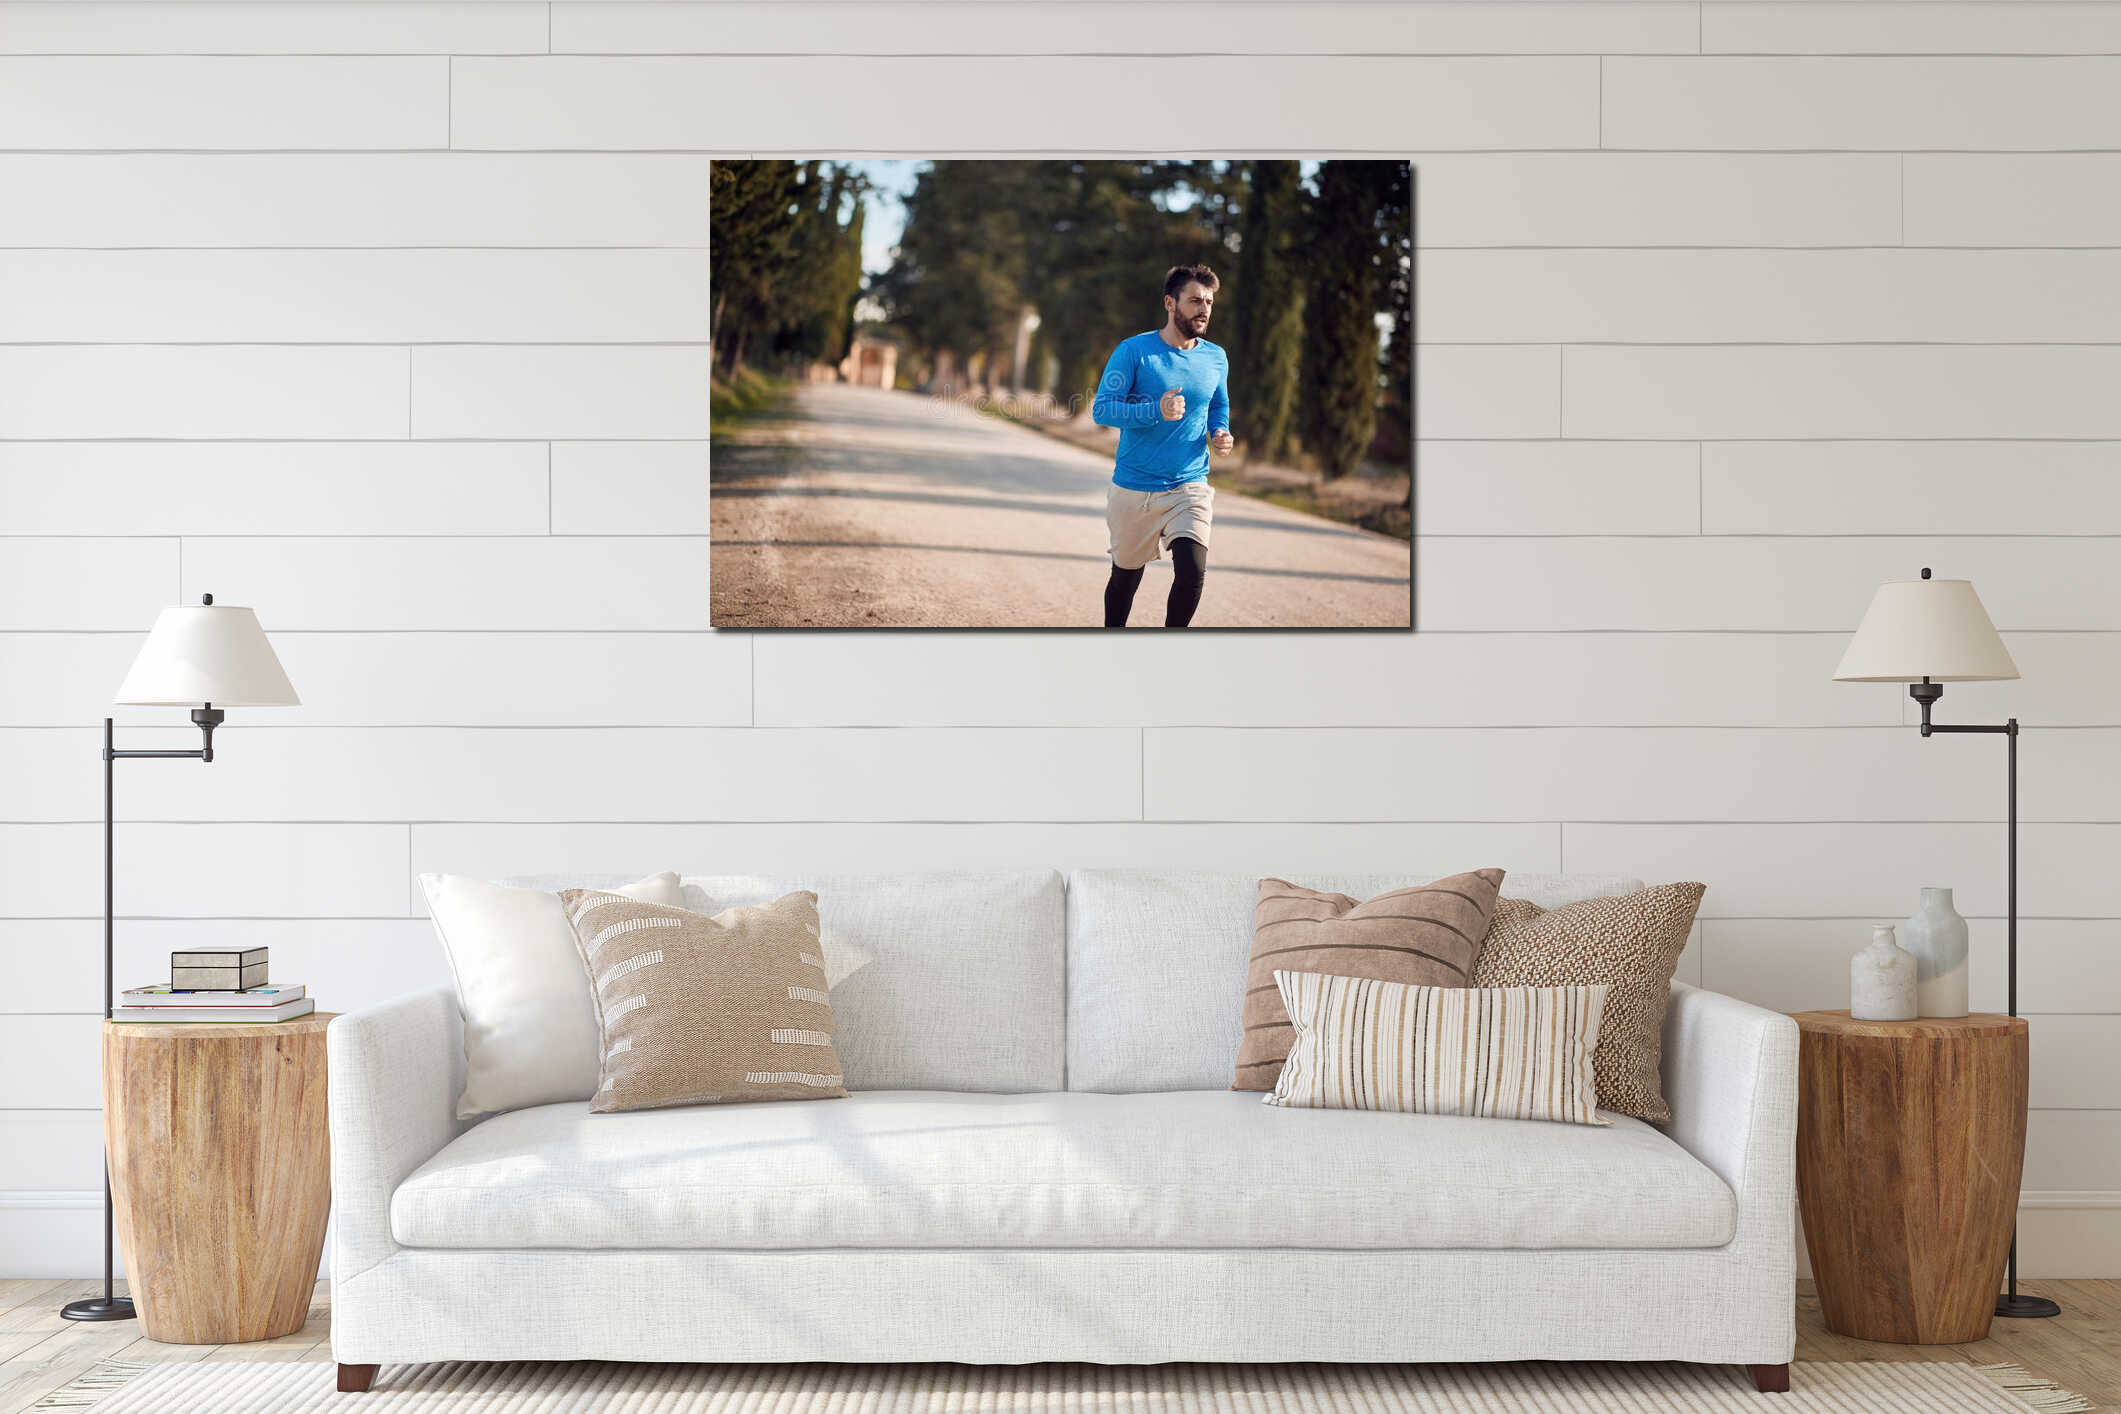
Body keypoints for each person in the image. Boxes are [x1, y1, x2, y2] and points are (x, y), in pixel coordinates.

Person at [1090, 263, 1235, 628]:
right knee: (1125, 578)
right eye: (1194, 301)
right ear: (1170, 303)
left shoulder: (1215, 357)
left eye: (1209, 302)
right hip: (1135, 487)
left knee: (1191, 573)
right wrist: (1155, 411)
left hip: (1189, 485)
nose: (1204, 309)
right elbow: (1103, 409)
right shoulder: (1135, 351)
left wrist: (1220, 432)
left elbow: (1218, 405)